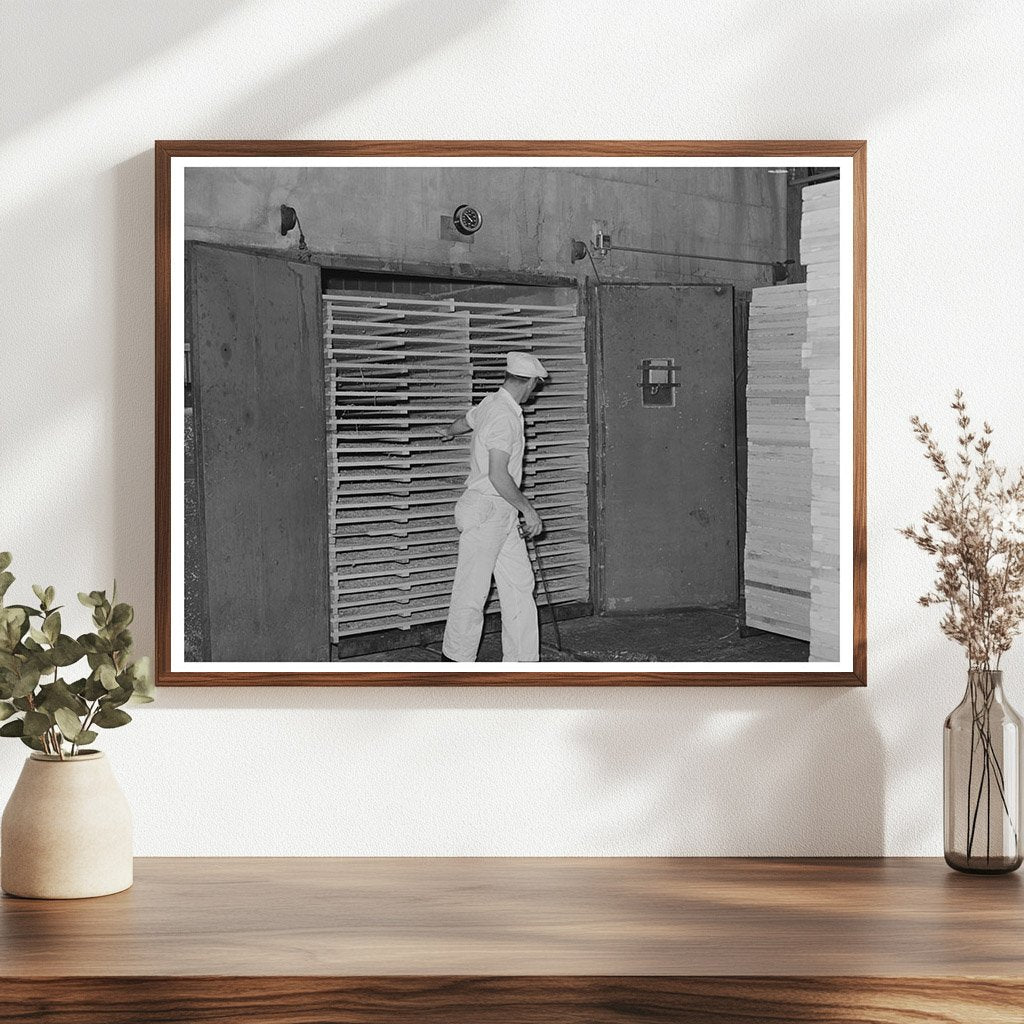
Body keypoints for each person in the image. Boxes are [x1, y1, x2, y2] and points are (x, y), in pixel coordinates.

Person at [436, 351, 548, 662]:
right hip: (489, 509)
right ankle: (455, 664)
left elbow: (465, 421)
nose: (534, 391)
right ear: (527, 383)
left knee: (520, 585)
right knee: (472, 591)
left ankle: (523, 663)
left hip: (499, 513)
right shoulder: (503, 415)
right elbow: (499, 474)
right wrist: (529, 509)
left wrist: (447, 431)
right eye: (535, 386)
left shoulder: (492, 404)